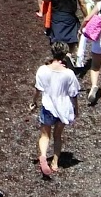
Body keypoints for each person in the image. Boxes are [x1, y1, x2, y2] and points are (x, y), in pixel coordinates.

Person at [35, 43, 81, 178]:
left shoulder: (43, 70)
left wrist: (34, 101)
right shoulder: (69, 73)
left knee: (45, 135)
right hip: (63, 108)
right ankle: (55, 163)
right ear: (65, 54)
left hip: (48, 106)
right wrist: (76, 109)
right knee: (57, 136)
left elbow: (38, 89)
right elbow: (73, 94)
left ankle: (43, 156)